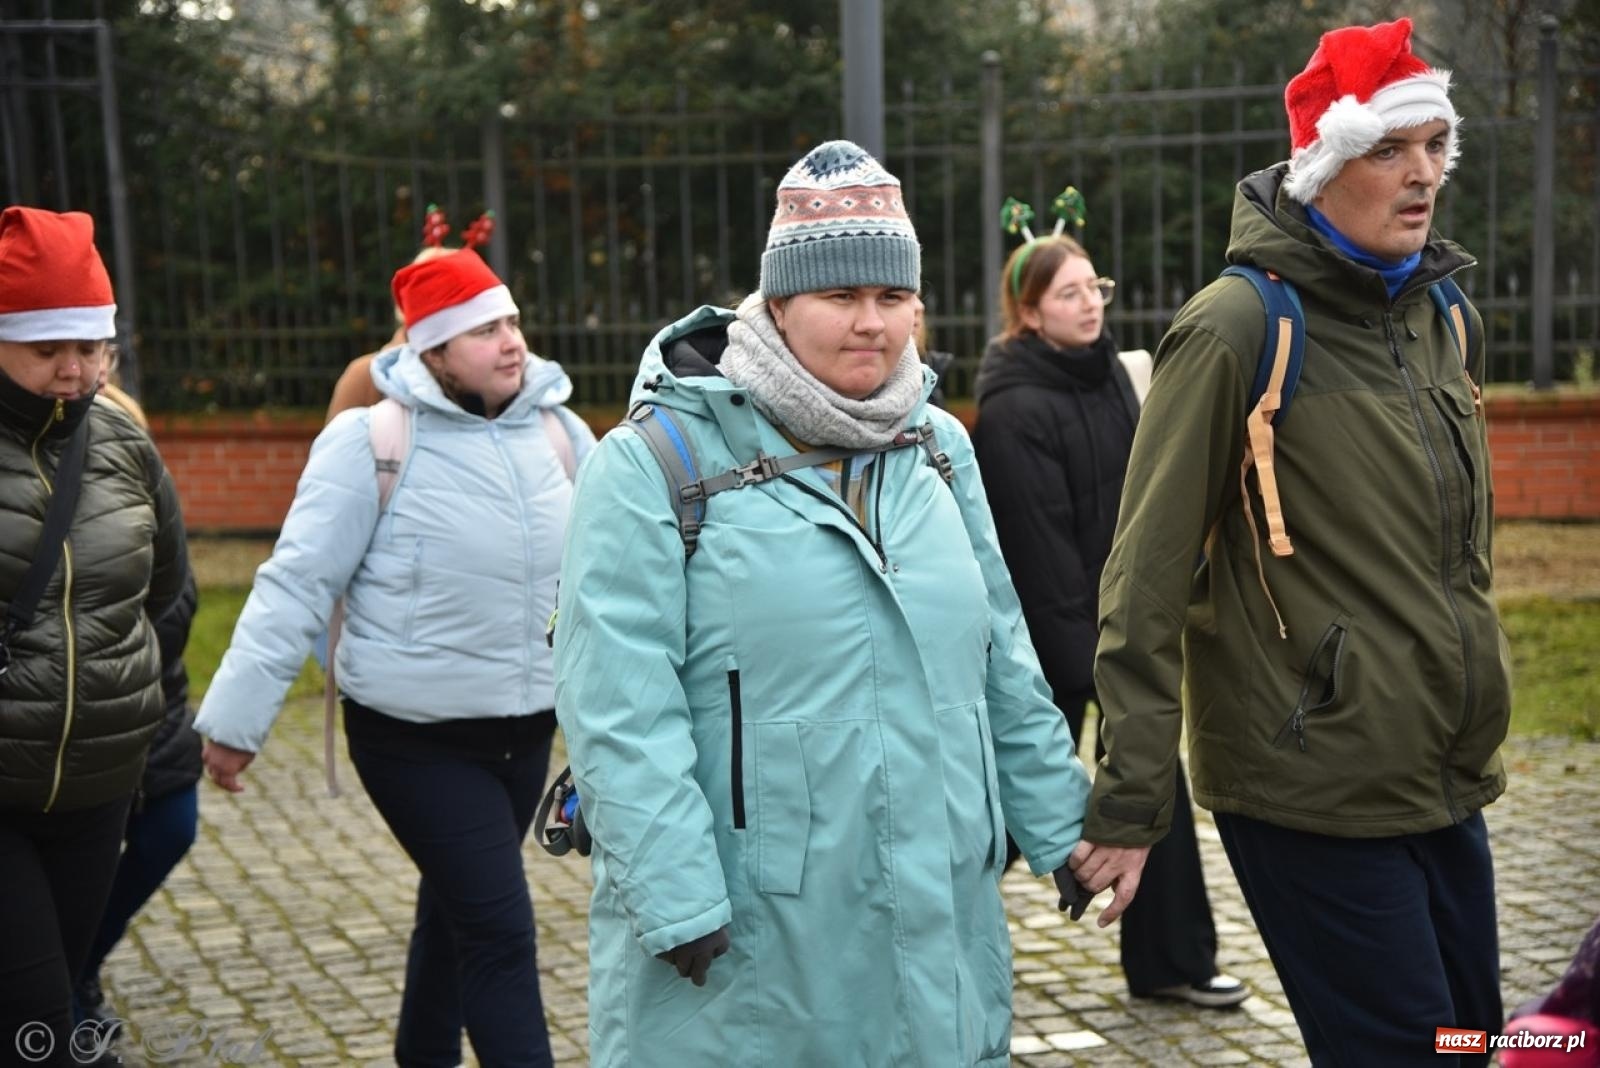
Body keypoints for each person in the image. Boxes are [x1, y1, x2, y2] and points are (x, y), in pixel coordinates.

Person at [552, 139, 1092, 1067]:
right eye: (840, 296)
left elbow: (999, 647)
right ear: (778, 303)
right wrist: (675, 895)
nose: (870, 323)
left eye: (891, 297)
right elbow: (617, 705)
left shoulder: (936, 449)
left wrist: (1059, 819)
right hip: (749, 941)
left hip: (939, 916)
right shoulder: (653, 463)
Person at [1068, 18, 1511, 1067]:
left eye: (1434, 146)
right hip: (1311, 787)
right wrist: (1131, 801)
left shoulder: (1444, 315)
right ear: (1323, 167)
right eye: (1387, 149)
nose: (1421, 176)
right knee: (1404, 1052)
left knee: (1468, 1040)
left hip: (1439, 776)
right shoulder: (1235, 326)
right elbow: (1142, 575)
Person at [194, 245, 594, 1067]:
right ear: (433, 351)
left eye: (512, 320)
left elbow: (616, 578)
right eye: (484, 329)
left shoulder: (562, 433)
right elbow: (295, 583)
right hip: (412, 738)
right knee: (499, 930)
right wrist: (237, 723)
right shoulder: (370, 440)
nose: (512, 341)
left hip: (525, 733)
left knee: (452, 919)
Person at [973, 231, 1247, 1009]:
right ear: (1028, 314)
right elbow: (1034, 552)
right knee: (1003, 809)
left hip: (1118, 630)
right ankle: (913, 936)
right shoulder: (1011, 407)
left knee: (1147, 787)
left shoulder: (1120, 380)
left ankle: (1172, 961)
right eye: (1069, 293)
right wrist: (1094, 662)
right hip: (1049, 649)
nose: (1090, 303)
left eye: (1097, 287)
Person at [0, 206, 188, 1066]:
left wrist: (158, 736)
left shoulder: (123, 444)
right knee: (39, 1018)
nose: (75, 370)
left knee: (55, 1001)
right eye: (48, 350)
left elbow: (165, 598)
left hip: (98, 783)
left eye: (91, 346)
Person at [73, 380, 204, 1028]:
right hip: (67, 726)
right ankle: (63, 987)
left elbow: (175, 598)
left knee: (172, 826)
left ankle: (81, 960)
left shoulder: (133, 461)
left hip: (152, 707)